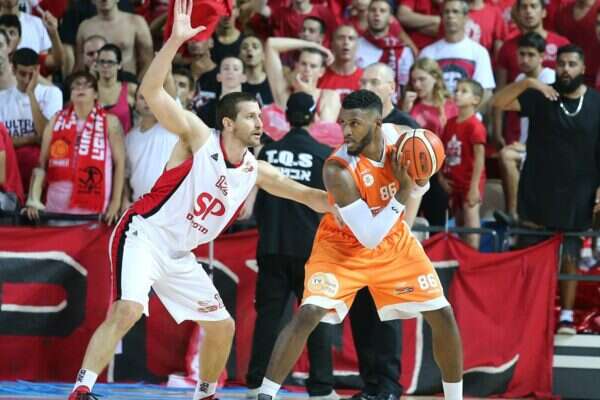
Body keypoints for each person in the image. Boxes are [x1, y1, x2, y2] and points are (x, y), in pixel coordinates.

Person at [67, 1, 333, 398]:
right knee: (128, 309)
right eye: (250, 117)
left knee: (223, 326)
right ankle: (82, 389)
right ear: (228, 122)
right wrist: (174, 41)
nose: (259, 123)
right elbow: (151, 91)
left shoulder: (255, 169)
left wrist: (360, 204)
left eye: (260, 117)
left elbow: (309, 196)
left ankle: (205, 393)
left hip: (179, 254)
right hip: (144, 233)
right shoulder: (198, 138)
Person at [256, 90, 464, 400]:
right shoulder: (337, 168)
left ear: (378, 123)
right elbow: (368, 236)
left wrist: (418, 183)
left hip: (393, 240)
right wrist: (403, 190)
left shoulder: (405, 138)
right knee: (309, 312)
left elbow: (420, 185)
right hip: (342, 245)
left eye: (355, 123)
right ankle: (265, 395)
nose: (346, 131)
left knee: (442, 314)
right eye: (343, 123)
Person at [492, 44, 600, 335]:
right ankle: (530, 311)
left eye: (572, 64)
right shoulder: (541, 95)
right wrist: (528, 82)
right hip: (538, 186)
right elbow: (498, 102)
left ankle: (566, 315)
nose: (565, 69)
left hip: (579, 189)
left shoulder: (595, 102)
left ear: (583, 69)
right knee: (534, 253)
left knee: (570, 254)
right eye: (561, 63)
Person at [246, 92, 337, 400]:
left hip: (272, 246)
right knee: (315, 318)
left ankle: (257, 384)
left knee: (268, 318)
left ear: (286, 116)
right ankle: (322, 388)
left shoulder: (268, 152)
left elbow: (252, 205)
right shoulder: (323, 154)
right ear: (313, 116)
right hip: (312, 250)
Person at [23, 70, 125, 223]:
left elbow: (120, 164)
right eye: (76, 86)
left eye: (86, 85)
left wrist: (115, 203)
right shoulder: (56, 120)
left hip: (93, 213)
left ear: (96, 94)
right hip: (56, 210)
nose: (80, 89)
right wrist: (33, 200)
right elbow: (41, 163)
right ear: (70, 95)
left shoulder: (110, 121)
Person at [498, 32, 555, 220]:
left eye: (531, 55)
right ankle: (512, 213)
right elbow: (499, 104)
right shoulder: (520, 79)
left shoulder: (549, 78)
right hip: (528, 144)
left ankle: (516, 214)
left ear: (542, 56)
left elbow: (552, 121)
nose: (525, 59)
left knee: (507, 156)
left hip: (547, 146)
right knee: (505, 155)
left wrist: (528, 145)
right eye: (521, 54)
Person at [402, 57, 456, 227]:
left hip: (439, 169)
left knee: (436, 217)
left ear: (435, 78)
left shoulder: (449, 106)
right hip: (412, 168)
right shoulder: (411, 105)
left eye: (422, 79)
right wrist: (405, 110)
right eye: (414, 80)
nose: (417, 85)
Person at [0, 47, 62, 192]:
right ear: (13, 70)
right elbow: (3, 144)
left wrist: (31, 95)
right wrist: (32, 139)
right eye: (22, 74)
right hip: (11, 167)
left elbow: (46, 136)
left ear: (38, 69)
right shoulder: (2, 99)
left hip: (42, 168)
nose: (27, 79)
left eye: (32, 74)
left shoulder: (52, 93)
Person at [439, 79, 486, 249]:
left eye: (464, 91)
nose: (457, 94)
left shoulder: (475, 126)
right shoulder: (450, 123)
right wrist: (441, 178)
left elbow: (480, 158)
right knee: (459, 223)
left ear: (476, 100)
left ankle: (473, 259)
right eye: (457, 90)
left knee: (471, 223)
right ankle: (462, 257)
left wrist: (474, 187)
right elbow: (442, 152)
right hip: (453, 181)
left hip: (469, 182)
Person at [419, 0, 495, 100]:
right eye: (446, 12)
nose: (450, 15)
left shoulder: (479, 53)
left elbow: (485, 93)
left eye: (455, 11)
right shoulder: (427, 53)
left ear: (466, 17)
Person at [265, 37, 341, 122]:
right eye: (303, 64)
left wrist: (307, 94)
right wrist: (313, 45)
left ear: (321, 72)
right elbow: (271, 44)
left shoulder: (329, 96)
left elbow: (324, 129)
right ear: (296, 66)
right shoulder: (284, 93)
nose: (307, 69)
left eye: (313, 66)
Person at [123, 90, 178, 206]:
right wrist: (126, 199)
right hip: (139, 204)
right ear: (135, 102)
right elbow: (126, 174)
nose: (147, 101)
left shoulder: (171, 126)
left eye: (151, 97)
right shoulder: (129, 137)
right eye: (142, 98)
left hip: (169, 204)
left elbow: (171, 90)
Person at [75, 0, 153, 77]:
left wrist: (138, 84)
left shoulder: (136, 22)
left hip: (128, 81)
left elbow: (148, 62)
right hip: (94, 82)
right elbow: (80, 65)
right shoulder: (84, 27)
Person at [356, 0, 416, 96]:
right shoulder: (355, 46)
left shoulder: (402, 50)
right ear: (367, 15)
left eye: (382, 11)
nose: (377, 14)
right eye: (373, 10)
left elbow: (405, 86)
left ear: (391, 18)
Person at [96, 44, 136, 135]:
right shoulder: (89, 89)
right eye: (102, 62)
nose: (105, 65)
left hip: (124, 142)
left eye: (110, 62)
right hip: (95, 143)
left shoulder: (131, 89)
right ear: (96, 64)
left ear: (119, 65)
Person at [196, 56, 246, 128]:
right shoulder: (205, 109)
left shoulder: (254, 106)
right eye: (226, 68)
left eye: (235, 69)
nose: (230, 72)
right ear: (218, 77)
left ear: (244, 78)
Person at [318, 25, 363, 100]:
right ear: (332, 44)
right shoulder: (320, 75)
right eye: (341, 38)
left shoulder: (365, 78)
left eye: (351, 38)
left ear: (357, 45)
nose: (346, 42)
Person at [239, 35, 273, 106]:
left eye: (255, 47)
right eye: (245, 47)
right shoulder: (235, 84)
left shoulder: (273, 82)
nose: (249, 49)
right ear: (240, 56)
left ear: (263, 55)